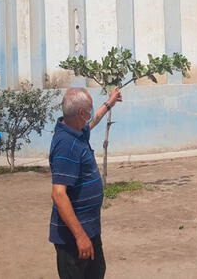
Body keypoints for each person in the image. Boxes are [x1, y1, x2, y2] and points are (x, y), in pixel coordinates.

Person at [49, 87, 122, 279]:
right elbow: (58, 194)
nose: (90, 114)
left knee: (96, 273)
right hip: (74, 239)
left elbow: (93, 121)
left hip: (89, 232)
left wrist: (109, 103)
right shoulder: (66, 144)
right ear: (81, 113)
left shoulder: (77, 132)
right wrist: (80, 236)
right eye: (88, 110)